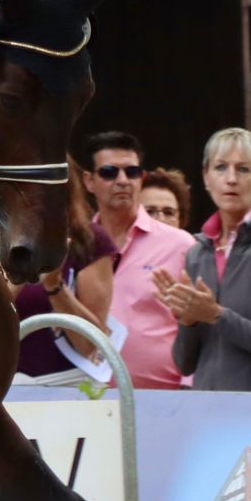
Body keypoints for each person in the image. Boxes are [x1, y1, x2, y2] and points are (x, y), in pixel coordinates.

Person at [157, 127, 251, 392]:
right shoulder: (197, 253)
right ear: (206, 178)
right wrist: (190, 321)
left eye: (243, 169)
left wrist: (217, 315)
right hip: (211, 413)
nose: (231, 179)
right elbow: (184, 364)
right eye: (220, 168)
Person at [85, 130, 191, 391]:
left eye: (131, 172)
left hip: (166, 400)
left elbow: (201, 324)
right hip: (87, 398)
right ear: (89, 181)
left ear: (141, 179)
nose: (122, 180)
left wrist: (191, 387)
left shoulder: (181, 244)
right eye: (109, 172)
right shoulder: (75, 245)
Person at [14, 160, 117, 383]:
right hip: (6, 385)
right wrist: (23, 267)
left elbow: (91, 346)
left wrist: (55, 286)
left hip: (69, 385)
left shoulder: (89, 240)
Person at [137, 168, 191, 233]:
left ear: (180, 220)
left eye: (168, 213)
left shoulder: (192, 242)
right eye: (149, 211)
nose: (161, 219)